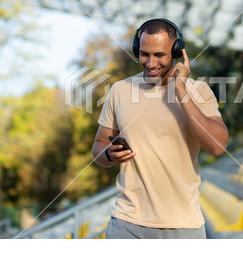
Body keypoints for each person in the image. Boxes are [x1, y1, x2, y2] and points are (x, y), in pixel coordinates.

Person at [92, 18, 229, 239]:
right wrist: (108, 154)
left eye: (159, 55)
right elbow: (97, 147)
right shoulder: (120, 90)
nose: (150, 62)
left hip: (184, 226)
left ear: (176, 52)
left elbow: (218, 147)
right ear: (137, 49)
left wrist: (181, 90)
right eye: (144, 53)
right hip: (126, 223)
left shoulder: (199, 91)